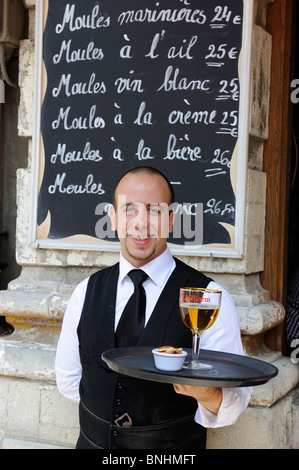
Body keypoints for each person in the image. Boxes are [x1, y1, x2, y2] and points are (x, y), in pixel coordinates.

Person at [55, 166, 251, 449]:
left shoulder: (208, 297)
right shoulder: (86, 291)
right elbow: (70, 380)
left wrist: (206, 393)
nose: (141, 223)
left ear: (171, 220)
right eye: (129, 209)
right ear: (114, 219)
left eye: (154, 211)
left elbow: (235, 403)